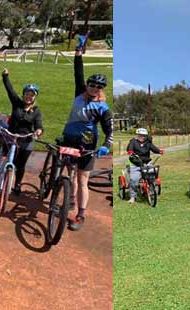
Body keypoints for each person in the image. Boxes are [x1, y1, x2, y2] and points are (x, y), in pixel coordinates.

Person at [60, 36, 113, 231]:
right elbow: (78, 71)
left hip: (87, 143)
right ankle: (70, 199)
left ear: (101, 90)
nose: (94, 88)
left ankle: (81, 214)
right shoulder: (79, 93)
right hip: (69, 138)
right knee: (70, 172)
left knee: (83, 178)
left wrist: (106, 146)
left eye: (98, 87)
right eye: (92, 85)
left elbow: (110, 130)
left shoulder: (103, 107)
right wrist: (78, 52)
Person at [1, 68, 44, 194]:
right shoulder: (17, 103)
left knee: (21, 164)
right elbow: (10, 90)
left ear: (35, 97)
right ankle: (5, 173)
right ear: (23, 94)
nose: (29, 97)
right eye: (27, 94)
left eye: (32, 95)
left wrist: (38, 131)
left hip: (26, 138)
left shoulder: (36, 111)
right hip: (12, 135)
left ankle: (18, 183)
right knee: (10, 158)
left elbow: (39, 124)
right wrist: (5, 76)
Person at [126, 128, 163, 204]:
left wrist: (159, 151)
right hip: (135, 164)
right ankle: (132, 197)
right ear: (137, 135)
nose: (141, 137)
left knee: (152, 175)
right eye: (140, 135)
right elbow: (129, 148)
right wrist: (131, 152)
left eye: (143, 136)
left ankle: (151, 189)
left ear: (146, 136)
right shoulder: (133, 142)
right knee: (134, 180)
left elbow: (154, 148)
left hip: (146, 163)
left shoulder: (148, 143)